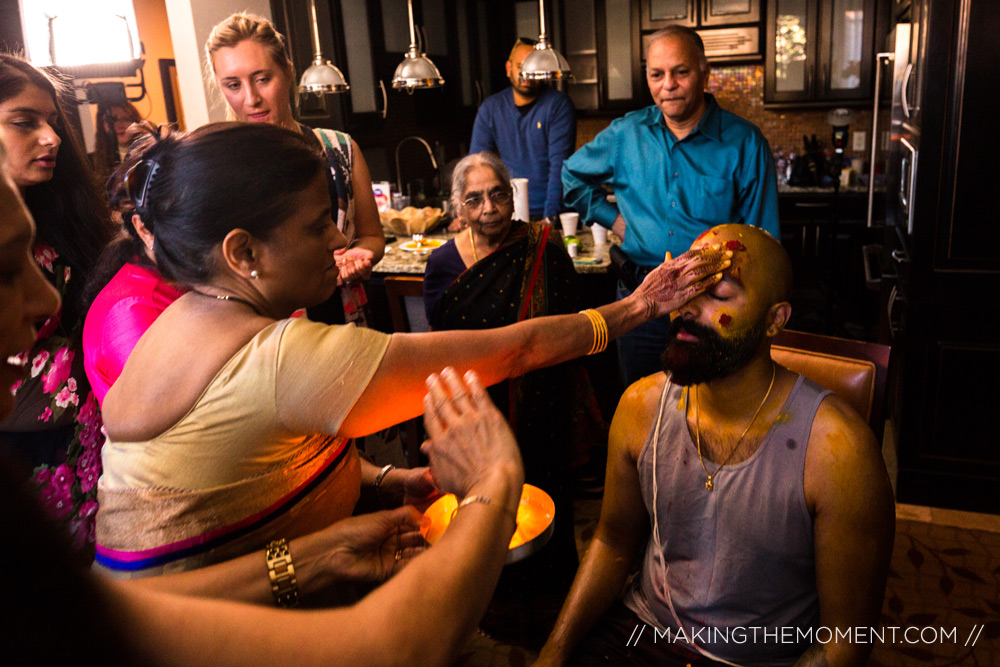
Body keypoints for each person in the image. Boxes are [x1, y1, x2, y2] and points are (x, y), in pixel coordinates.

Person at [93, 121, 731, 596]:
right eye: (319, 225)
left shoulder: (183, 319)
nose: (342, 238)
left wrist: (380, 480)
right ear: (243, 253)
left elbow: (250, 460)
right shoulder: (284, 357)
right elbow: (520, 347)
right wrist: (641, 307)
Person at [0, 156, 540, 665]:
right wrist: (493, 486)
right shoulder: (193, 326)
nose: (49, 301)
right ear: (241, 251)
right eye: (5, 269)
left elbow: (128, 603)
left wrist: (313, 557)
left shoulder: (208, 313)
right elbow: (395, 648)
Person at [535, 224, 894, 667]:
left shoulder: (838, 450)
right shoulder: (640, 407)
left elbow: (845, 642)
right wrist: (554, 651)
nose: (687, 307)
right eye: (686, 287)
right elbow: (612, 541)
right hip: (641, 630)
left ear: (774, 320)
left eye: (719, 295)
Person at [423, 152, 600, 645]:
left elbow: (567, 326)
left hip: (543, 399)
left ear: (511, 195)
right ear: (458, 206)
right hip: (479, 405)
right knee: (485, 499)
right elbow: (442, 342)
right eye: (474, 199)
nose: (489, 208)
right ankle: (489, 604)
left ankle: (556, 612)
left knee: (545, 492)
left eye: (498, 194)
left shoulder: (543, 245)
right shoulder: (441, 264)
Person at [562, 26, 780, 388]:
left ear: (704, 72)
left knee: (709, 412)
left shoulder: (745, 144)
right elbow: (571, 177)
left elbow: (765, 243)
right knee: (642, 405)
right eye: (657, 74)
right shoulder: (625, 134)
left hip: (712, 305)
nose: (668, 85)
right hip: (640, 301)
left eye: (681, 72)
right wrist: (614, 220)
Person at [0, 53, 114, 557]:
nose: (52, 138)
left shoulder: (61, 216)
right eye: (24, 122)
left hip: (88, 440)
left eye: (52, 121)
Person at [205, 12, 384, 326]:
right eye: (233, 85)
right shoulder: (217, 171)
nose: (251, 98)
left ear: (287, 73)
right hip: (269, 335)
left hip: (348, 321)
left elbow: (372, 237)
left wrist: (358, 258)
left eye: (262, 79)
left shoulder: (340, 150)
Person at [83, 123, 185, 405]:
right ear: (144, 230)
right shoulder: (131, 314)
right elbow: (174, 415)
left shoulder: (181, 275)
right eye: (185, 220)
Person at [469, 37, 576, 220]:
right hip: (508, 213)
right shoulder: (491, 108)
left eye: (532, 68)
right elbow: (475, 165)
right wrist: (469, 211)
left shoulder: (558, 105)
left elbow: (559, 167)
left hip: (552, 213)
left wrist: (549, 217)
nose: (527, 74)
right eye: (521, 67)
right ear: (509, 69)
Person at [91, 99, 142, 181]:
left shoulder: (151, 153)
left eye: (126, 119)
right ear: (102, 125)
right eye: (112, 120)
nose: (120, 125)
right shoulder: (92, 163)